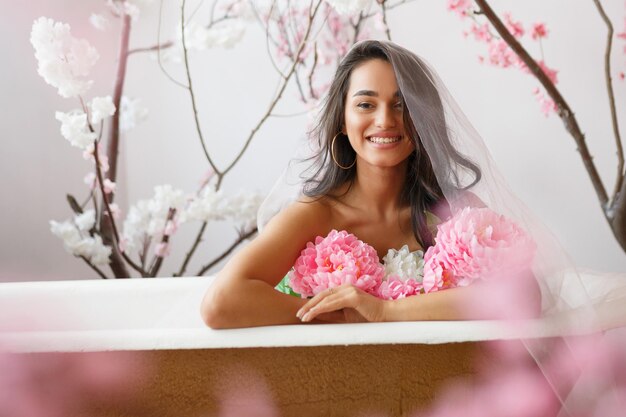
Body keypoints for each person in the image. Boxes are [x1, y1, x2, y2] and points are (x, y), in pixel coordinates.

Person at [200, 40, 544, 329]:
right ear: (342, 120)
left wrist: (384, 312)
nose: (385, 121)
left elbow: (525, 296)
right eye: (366, 104)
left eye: (403, 105)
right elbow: (220, 304)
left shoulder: (454, 209)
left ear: (425, 118)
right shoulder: (314, 215)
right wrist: (337, 317)